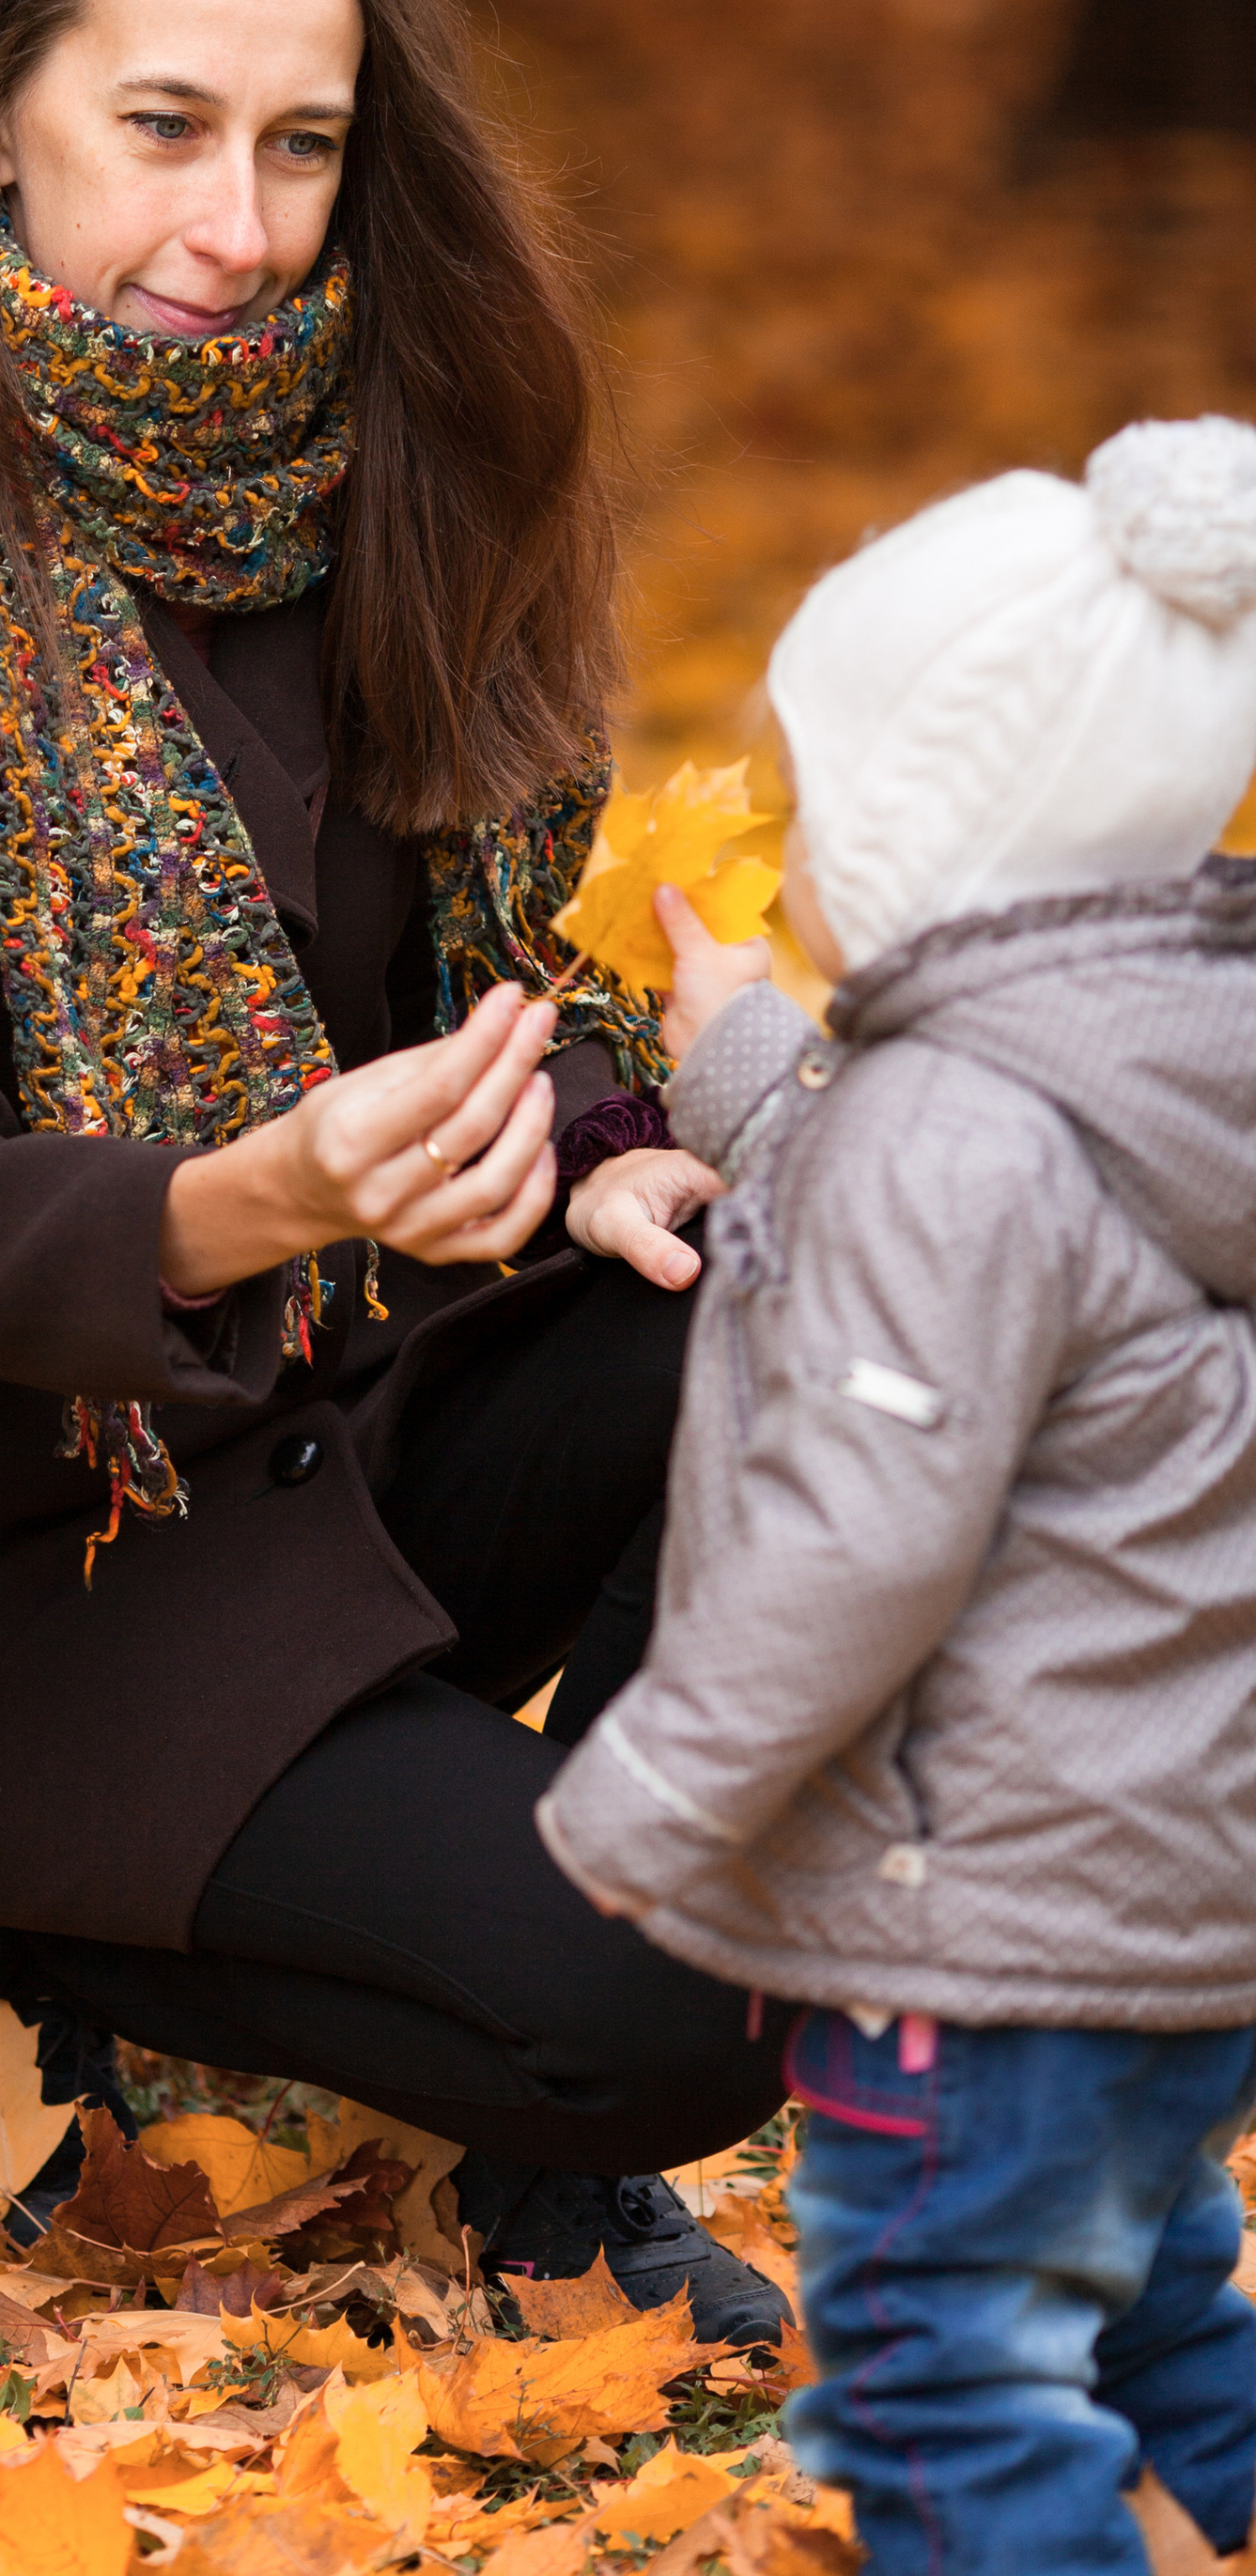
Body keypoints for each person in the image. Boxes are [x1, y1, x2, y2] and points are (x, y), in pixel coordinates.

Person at [0, 0, 793, 2335]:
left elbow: (518, 977)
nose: (238, 229)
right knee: (682, 2014)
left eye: (301, 147)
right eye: (162, 127)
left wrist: (603, 1142)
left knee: (778, 1295)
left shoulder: (402, 455)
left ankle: (529, 2164)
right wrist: (265, 1189)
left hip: (352, 1445)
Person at [541, 416, 1256, 2573]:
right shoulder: (1147, 1058)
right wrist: (742, 1064)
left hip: (981, 1921)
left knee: (944, 2366)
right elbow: (960, 1212)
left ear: (925, 826)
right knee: (1151, 2313)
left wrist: (646, 1795)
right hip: (1169, 1893)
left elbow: (860, 1529)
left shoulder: (948, 1137)